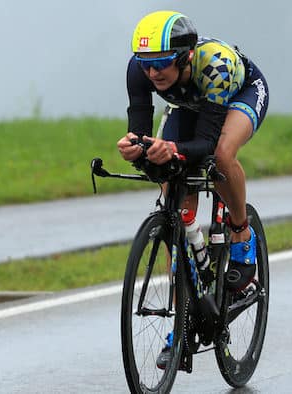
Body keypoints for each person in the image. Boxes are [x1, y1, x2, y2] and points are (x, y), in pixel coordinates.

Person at [116, 10, 269, 369]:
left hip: (236, 95)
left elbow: (204, 142)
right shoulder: (138, 70)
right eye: (146, 65)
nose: (153, 73)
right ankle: (181, 321)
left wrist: (173, 149)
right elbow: (141, 133)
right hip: (190, 104)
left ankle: (241, 232)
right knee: (171, 178)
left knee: (220, 155)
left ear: (184, 56)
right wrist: (137, 149)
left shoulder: (213, 64)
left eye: (162, 63)